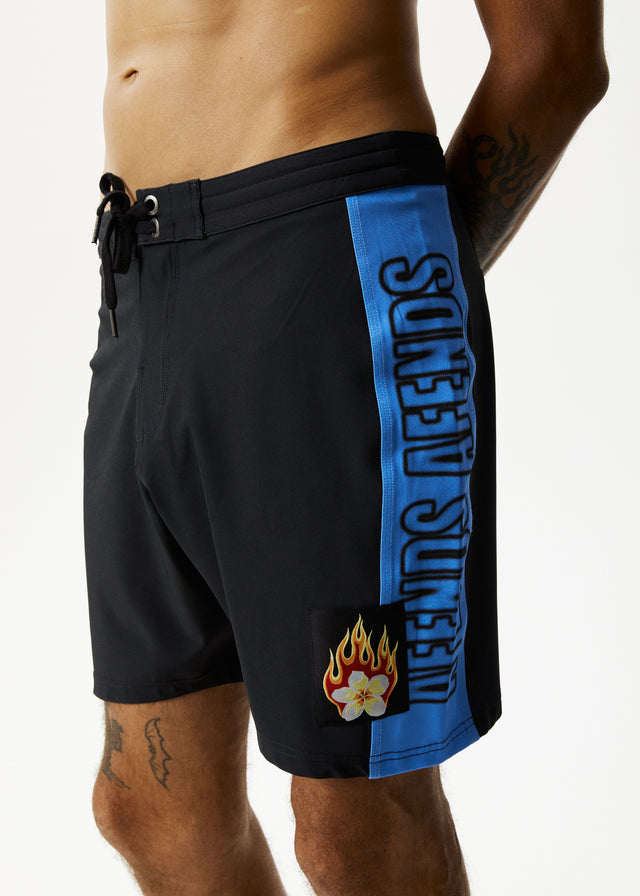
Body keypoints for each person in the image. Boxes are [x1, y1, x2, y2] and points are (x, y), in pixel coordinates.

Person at [84, 1, 608, 894]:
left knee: (355, 823)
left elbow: (555, 55)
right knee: (150, 806)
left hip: (329, 238)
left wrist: (396, 287)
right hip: (140, 265)